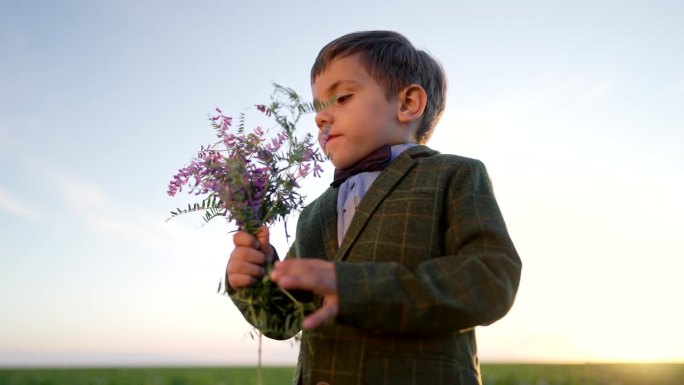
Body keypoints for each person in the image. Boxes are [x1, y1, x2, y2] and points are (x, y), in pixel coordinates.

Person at [226, 30, 522, 385]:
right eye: (318, 108)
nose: (321, 118)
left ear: (407, 103)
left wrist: (354, 287)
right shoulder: (314, 213)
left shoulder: (453, 174)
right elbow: (285, 319)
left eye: (342, 98)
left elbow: (491, 280)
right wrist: (254, 280)